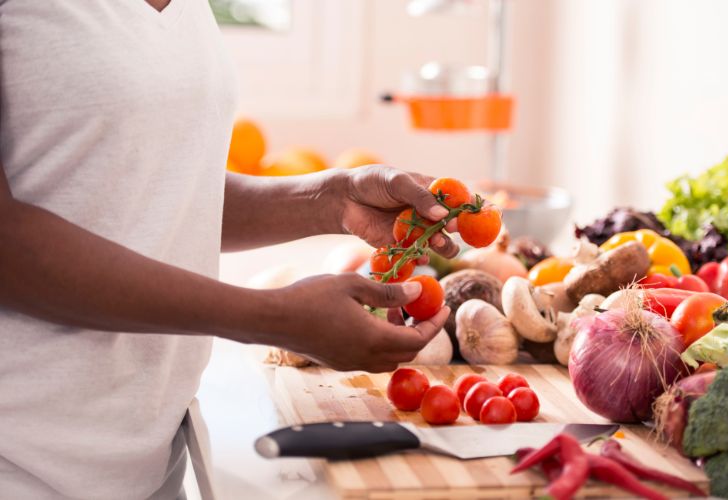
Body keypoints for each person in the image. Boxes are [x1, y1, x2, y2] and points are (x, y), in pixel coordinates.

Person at [0, 1, 455, 498]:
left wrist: (331, 200)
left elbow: (149, 188)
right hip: (20, 462)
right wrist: (270, 317)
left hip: (148, 460)